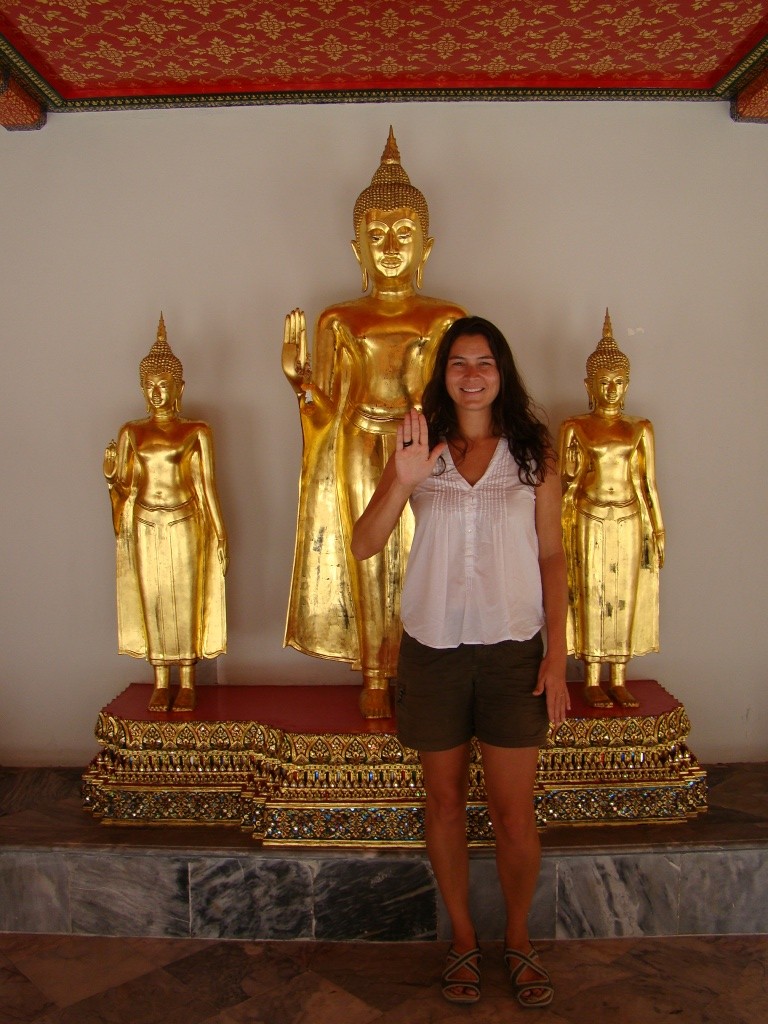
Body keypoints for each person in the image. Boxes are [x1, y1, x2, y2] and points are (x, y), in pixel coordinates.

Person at [352, 315, 569, 1008]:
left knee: (512, 812)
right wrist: (402, 481)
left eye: (484, 363)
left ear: (502, 373)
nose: (472, 375)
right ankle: (463, 940)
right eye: (458, 363)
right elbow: (363, 543)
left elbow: (552, 556)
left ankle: (518, 937)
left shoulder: (534, 455)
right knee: (444, 803)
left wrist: (558, 656)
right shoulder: (419, 449)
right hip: (434, 651)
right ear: (442, 375)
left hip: (513, 652)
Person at [282, 127, 466, 718]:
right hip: (359, 439)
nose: (390, 246)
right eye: (376, 235)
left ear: (426, 248)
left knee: (424, 551)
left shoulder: (445, 317)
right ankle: (373, 673)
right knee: (368, 553)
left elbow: (457, 398)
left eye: (404, 234)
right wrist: (301, 385)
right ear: (357, 247)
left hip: (425, 444)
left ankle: (420, 664)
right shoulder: (340, 318)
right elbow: (329, 410)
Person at [103, 315, 228, 712]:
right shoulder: (131, 433)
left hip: (185, 521)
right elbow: (124, 487)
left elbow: (206, 486)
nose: (156, 393)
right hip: (145, 522)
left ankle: (187, 679)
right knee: (154, 598)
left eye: (163, 385)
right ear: (142, 388)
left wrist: (221, 534)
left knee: (186, 598)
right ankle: (160, 679)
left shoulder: (196, 431)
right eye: (150, 386)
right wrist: (110, 478)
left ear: (179, 388)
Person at [558, 311, 665, 708]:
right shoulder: (575, 426)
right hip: (589, 516)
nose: (611, 390)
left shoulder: (639, 428)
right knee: (590, 593)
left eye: (618, 382)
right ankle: (591, 676)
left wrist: (658, 531)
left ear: (628, 384)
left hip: (629, 517)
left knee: (624, 595)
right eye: (603, 382)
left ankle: (618, 676)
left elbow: (647, 484)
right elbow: (565, 480)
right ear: (589, 385)